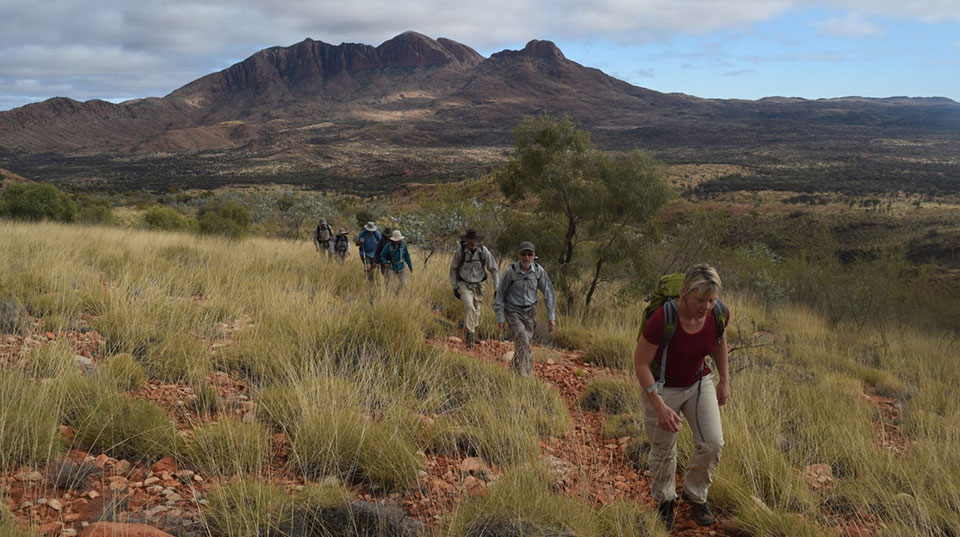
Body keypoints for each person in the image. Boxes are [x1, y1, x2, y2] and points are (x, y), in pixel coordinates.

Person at [633, 264, 730, 531]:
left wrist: (724, 380)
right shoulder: (663, 319)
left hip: (699, 382)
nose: (707, 307)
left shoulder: (719, 313)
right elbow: (641, 364)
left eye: (712, 300)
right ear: (685, 293)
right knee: (664, 451)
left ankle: (694, 495)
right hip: (662, 388)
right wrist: (659, 405)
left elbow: (720, 342)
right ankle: (664, 502)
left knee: (713, 443)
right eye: (700, 300)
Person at [494, 241, 555, 377]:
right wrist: (500, 316)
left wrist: (551, 318)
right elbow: (500, 293)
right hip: (513, 311)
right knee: (523, 340)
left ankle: (513, 373)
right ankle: (525, 376)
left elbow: (548, 294)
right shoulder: (511, 271)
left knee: (522, 345)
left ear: (534, 256)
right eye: (523, 254)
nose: (526, 257)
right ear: (518, 255)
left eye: (530, 254)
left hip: (530, 313)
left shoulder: (539, 272)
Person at [449, 229, 500, 349]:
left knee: (477, 311)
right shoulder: (461, 251)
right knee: (469, 306)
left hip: (479, 285)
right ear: (466, 241)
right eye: (470, 241)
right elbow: (453, 268)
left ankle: (472, 330)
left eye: (475, 241)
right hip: (464, 284)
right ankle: (470, 338)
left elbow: (493, 269)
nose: (473, 244)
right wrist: (455, 286)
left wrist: (497, 288)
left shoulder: (483, 251)